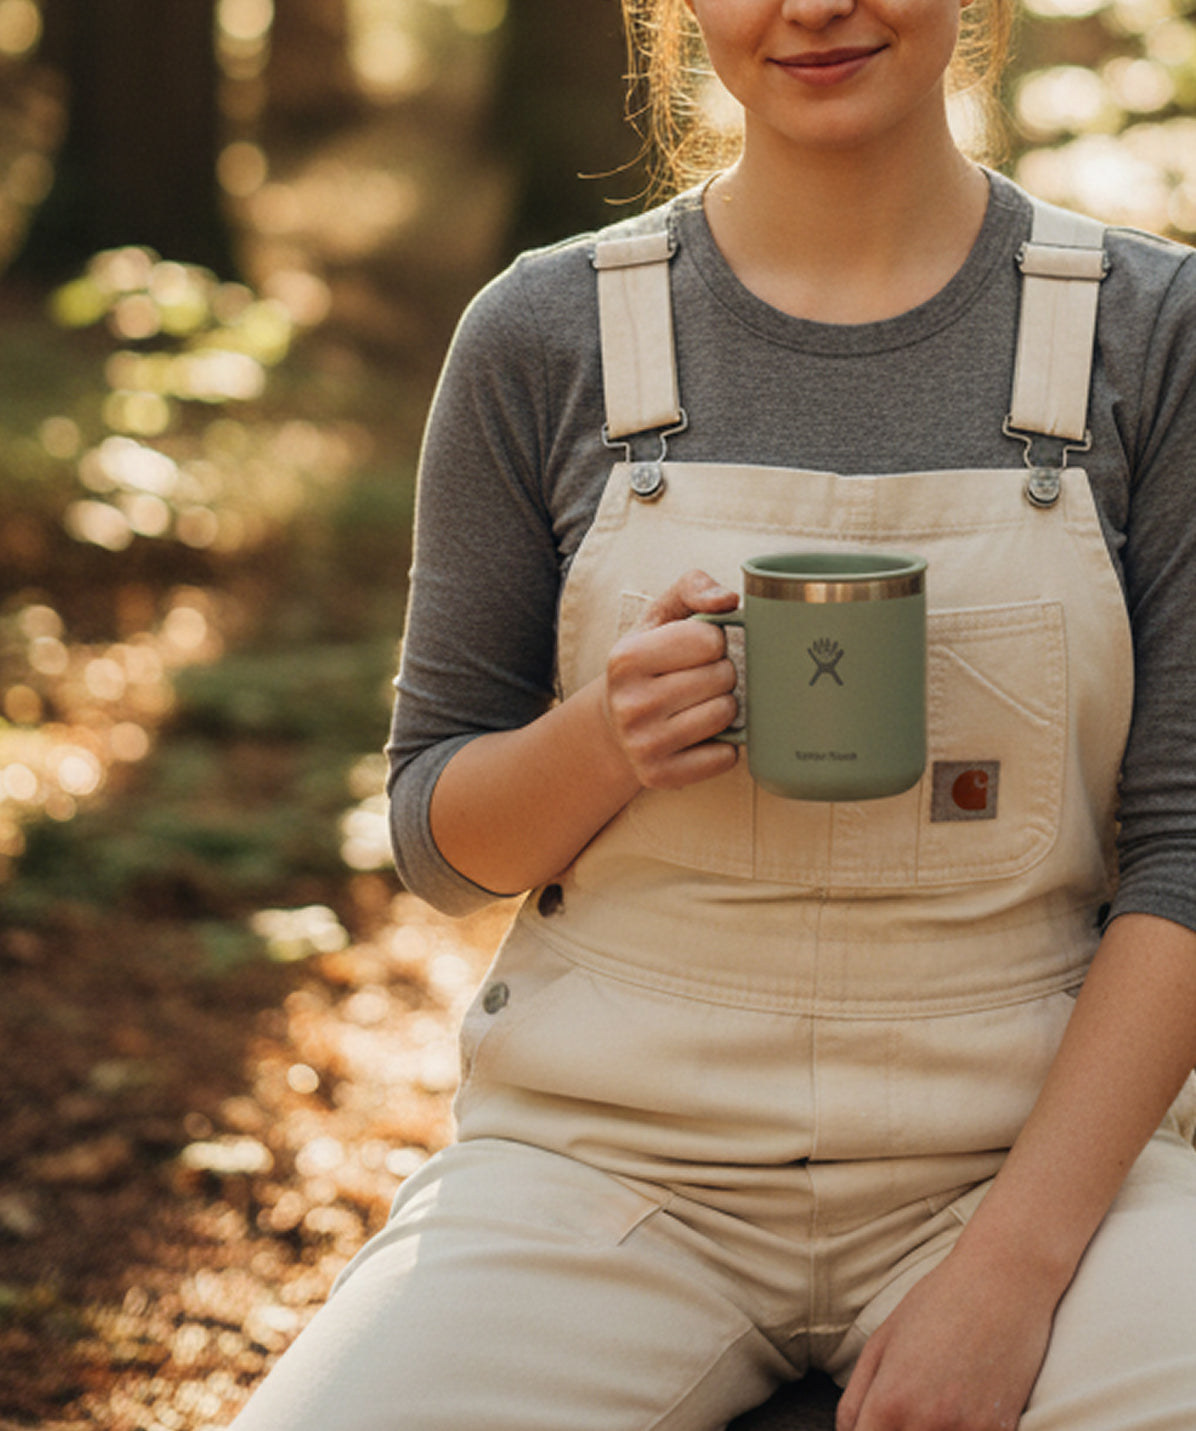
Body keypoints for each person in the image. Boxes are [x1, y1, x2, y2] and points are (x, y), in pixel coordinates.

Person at [231, 0, 1196, 1426]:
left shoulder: (1152, 332)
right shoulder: (543, 332)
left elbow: (1185, 849)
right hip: (601, 1173)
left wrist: (1009, 1273)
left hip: (1039, 1166)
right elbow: (439, 841)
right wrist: (601, 744)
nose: (811, 7)